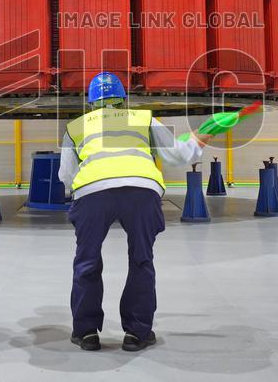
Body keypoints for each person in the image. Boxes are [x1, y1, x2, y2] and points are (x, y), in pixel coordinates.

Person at [59, 72, 212, 352]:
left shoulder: (76, 126)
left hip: (92, 192)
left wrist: (84, 190)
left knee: (86, 261)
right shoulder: (144, 119)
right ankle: (137, 333)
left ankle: (86, 333)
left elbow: (66, 176)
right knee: (142, 260)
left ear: (91, 102)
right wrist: (202, 136)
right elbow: (178, 155)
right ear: (124, 99)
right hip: (142, 190)